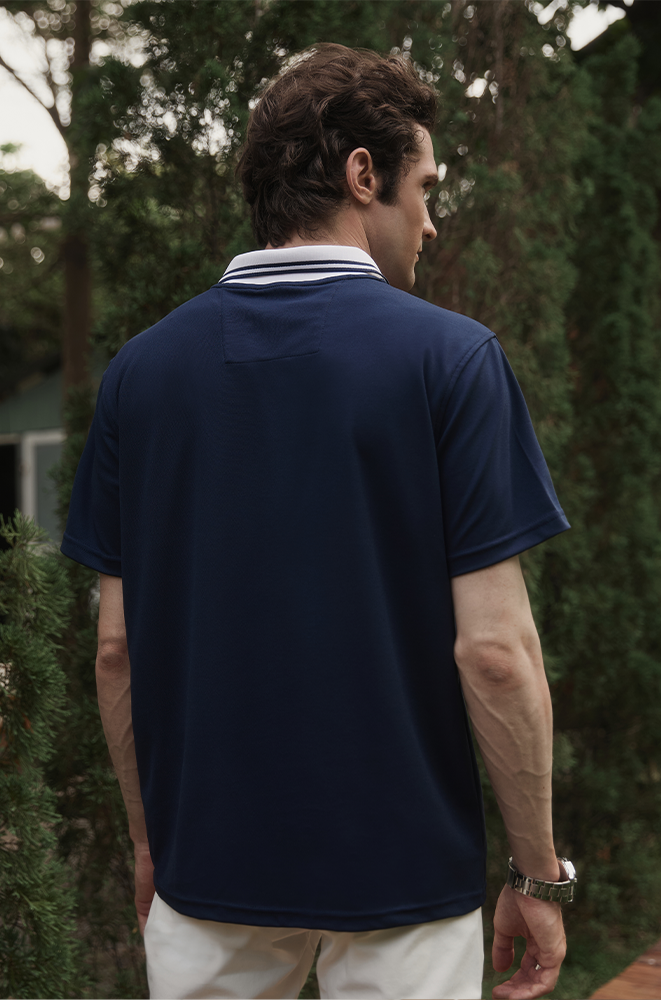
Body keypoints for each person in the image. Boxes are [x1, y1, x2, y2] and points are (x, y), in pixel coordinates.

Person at [62, 43, 575, 1001]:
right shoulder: (452, 360)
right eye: (426, 187)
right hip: (405, 876)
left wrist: (147, 840)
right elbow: (495, 653)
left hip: (205, 871)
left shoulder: (139, 373)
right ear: (362, 175)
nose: (431, 219)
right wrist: (536, 874)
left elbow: (117, 650)